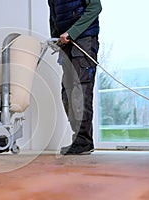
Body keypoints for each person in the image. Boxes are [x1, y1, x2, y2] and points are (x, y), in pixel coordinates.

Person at [48, 0, 102, 155]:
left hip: (84, 39)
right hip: (66, 42)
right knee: (67, 93)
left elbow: (95, 7)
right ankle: (79, 139)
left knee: (81, 91)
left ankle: (83, 141)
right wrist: (55, 37)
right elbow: (54, 15)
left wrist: (72, 32)